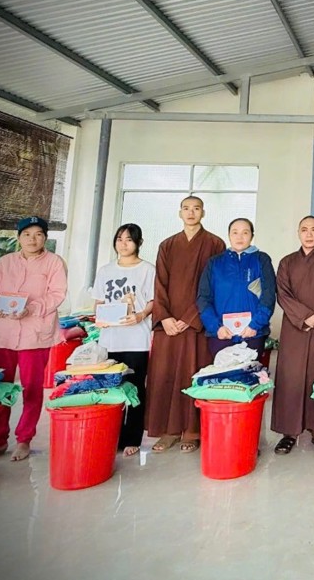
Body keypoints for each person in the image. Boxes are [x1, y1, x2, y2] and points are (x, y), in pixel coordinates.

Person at [0, 216, 67, 461]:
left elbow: (57, 294)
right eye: (26, 234)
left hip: (34, 335)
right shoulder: (5, 262)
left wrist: (32, 308)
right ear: (18, 238)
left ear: (45, 238)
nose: (32, 239)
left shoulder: (54, 263)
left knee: (32, 388)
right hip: (3, 334)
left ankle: (24, 439)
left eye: (38, 234)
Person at [147, 196, 225, 454]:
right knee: (165, 375)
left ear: (204, 212)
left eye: (196, 208)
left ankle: (192, 431)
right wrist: (165, 317)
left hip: (198, 323)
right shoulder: (167, 245)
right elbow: (159, 284)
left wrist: (191, 318)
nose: (191, 213)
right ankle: (168, 431)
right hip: (168, 324)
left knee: (195, 372)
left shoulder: (215, 243)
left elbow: (215, 286)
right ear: (179, 213)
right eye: (186, 208)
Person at [272, 216, 314, 454]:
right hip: (295, 327)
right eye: (304, 230)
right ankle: (289, 432)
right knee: (292, 378)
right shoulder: (287, 262)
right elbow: (283, 294)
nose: (309, 234)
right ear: (298, 233)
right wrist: (304, 317)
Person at [92, 224, 155, 457]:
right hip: (110, 339)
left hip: (136, 339)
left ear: (139, 243)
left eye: (129, 239)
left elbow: (153, 301)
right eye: (119, 239)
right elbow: (99, 302)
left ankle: (133, 437)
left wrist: (141, 315)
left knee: (135, 387)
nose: (123, 244)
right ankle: (112, 434)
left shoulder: (147, 270)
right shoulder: (105, 270)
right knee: (110, 387)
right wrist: (99, 318)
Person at [197, 218, 277, 359]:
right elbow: (203, 298)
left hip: (253, 333)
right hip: (222, 335)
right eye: (235, 232)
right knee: (224, 372)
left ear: (252, 235)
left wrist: (255, 325)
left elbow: (268, 295)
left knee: (249, 372)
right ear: (229, 235)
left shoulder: (261, 259)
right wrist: (216, 327)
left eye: (245, 232)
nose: (239, 237)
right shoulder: (215, 263)